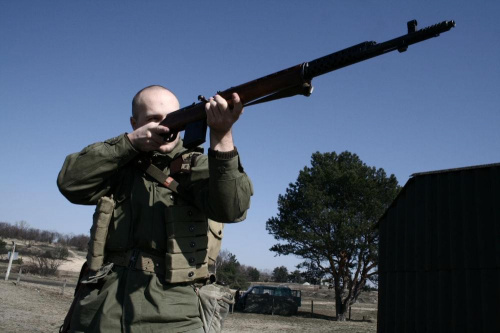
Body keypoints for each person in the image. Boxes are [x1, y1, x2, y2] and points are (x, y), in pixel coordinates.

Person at [57, 85, 253, 332]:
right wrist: (128, 144)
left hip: (174, 313)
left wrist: (222, 136)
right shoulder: (118, 161)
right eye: (154, 119)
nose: (166, 126)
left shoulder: (202, 166)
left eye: (172, 117)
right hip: (102, 307)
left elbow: (233, 209)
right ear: (134, 122)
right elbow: (70, 183)